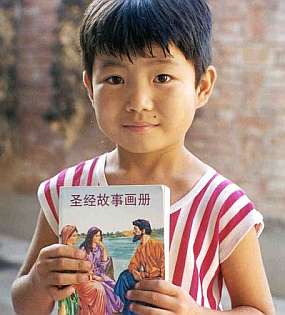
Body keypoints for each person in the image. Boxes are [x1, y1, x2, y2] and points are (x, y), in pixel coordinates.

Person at [11, 0, 276, 314]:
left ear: (201, 86)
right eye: (115, 79)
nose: (138, 101)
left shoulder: (223, 205)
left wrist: (197, 313)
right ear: (89, 89)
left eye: (162, 78)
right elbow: (24, 303)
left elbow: (259, 309)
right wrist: (40, 282)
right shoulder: (67, 190)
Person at [114, 219, 164, 314]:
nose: (134, 231)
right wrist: (134, 272)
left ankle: (129, 305)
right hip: (142, 277)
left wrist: (146, 274)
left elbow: (162, 269)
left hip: (154, 280)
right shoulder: (140, 247)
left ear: (143, 231)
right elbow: (132, 264)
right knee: (124, 275)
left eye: (136, 229)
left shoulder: (158, 245)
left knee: (132, 293)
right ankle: (122, 303)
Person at [78, 227, 123, 314]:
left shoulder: (99, 248)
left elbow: (103, 266)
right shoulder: (84, 249)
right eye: (96, 236)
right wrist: (94, 277)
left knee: (114, 286)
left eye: (100, 236)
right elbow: (81, 268)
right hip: (89, 277)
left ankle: (117, 309)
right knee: (105, 288)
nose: (99, 238)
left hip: (100, 274)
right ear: (91, 237)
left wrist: (104, 249)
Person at [58, 225, 80, 315]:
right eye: (74, 236)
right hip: (66, 288)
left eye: (76, 235)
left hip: (73, 287)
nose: (77, 238)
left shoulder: (73, 250)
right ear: (67, 236)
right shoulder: (63, 251)